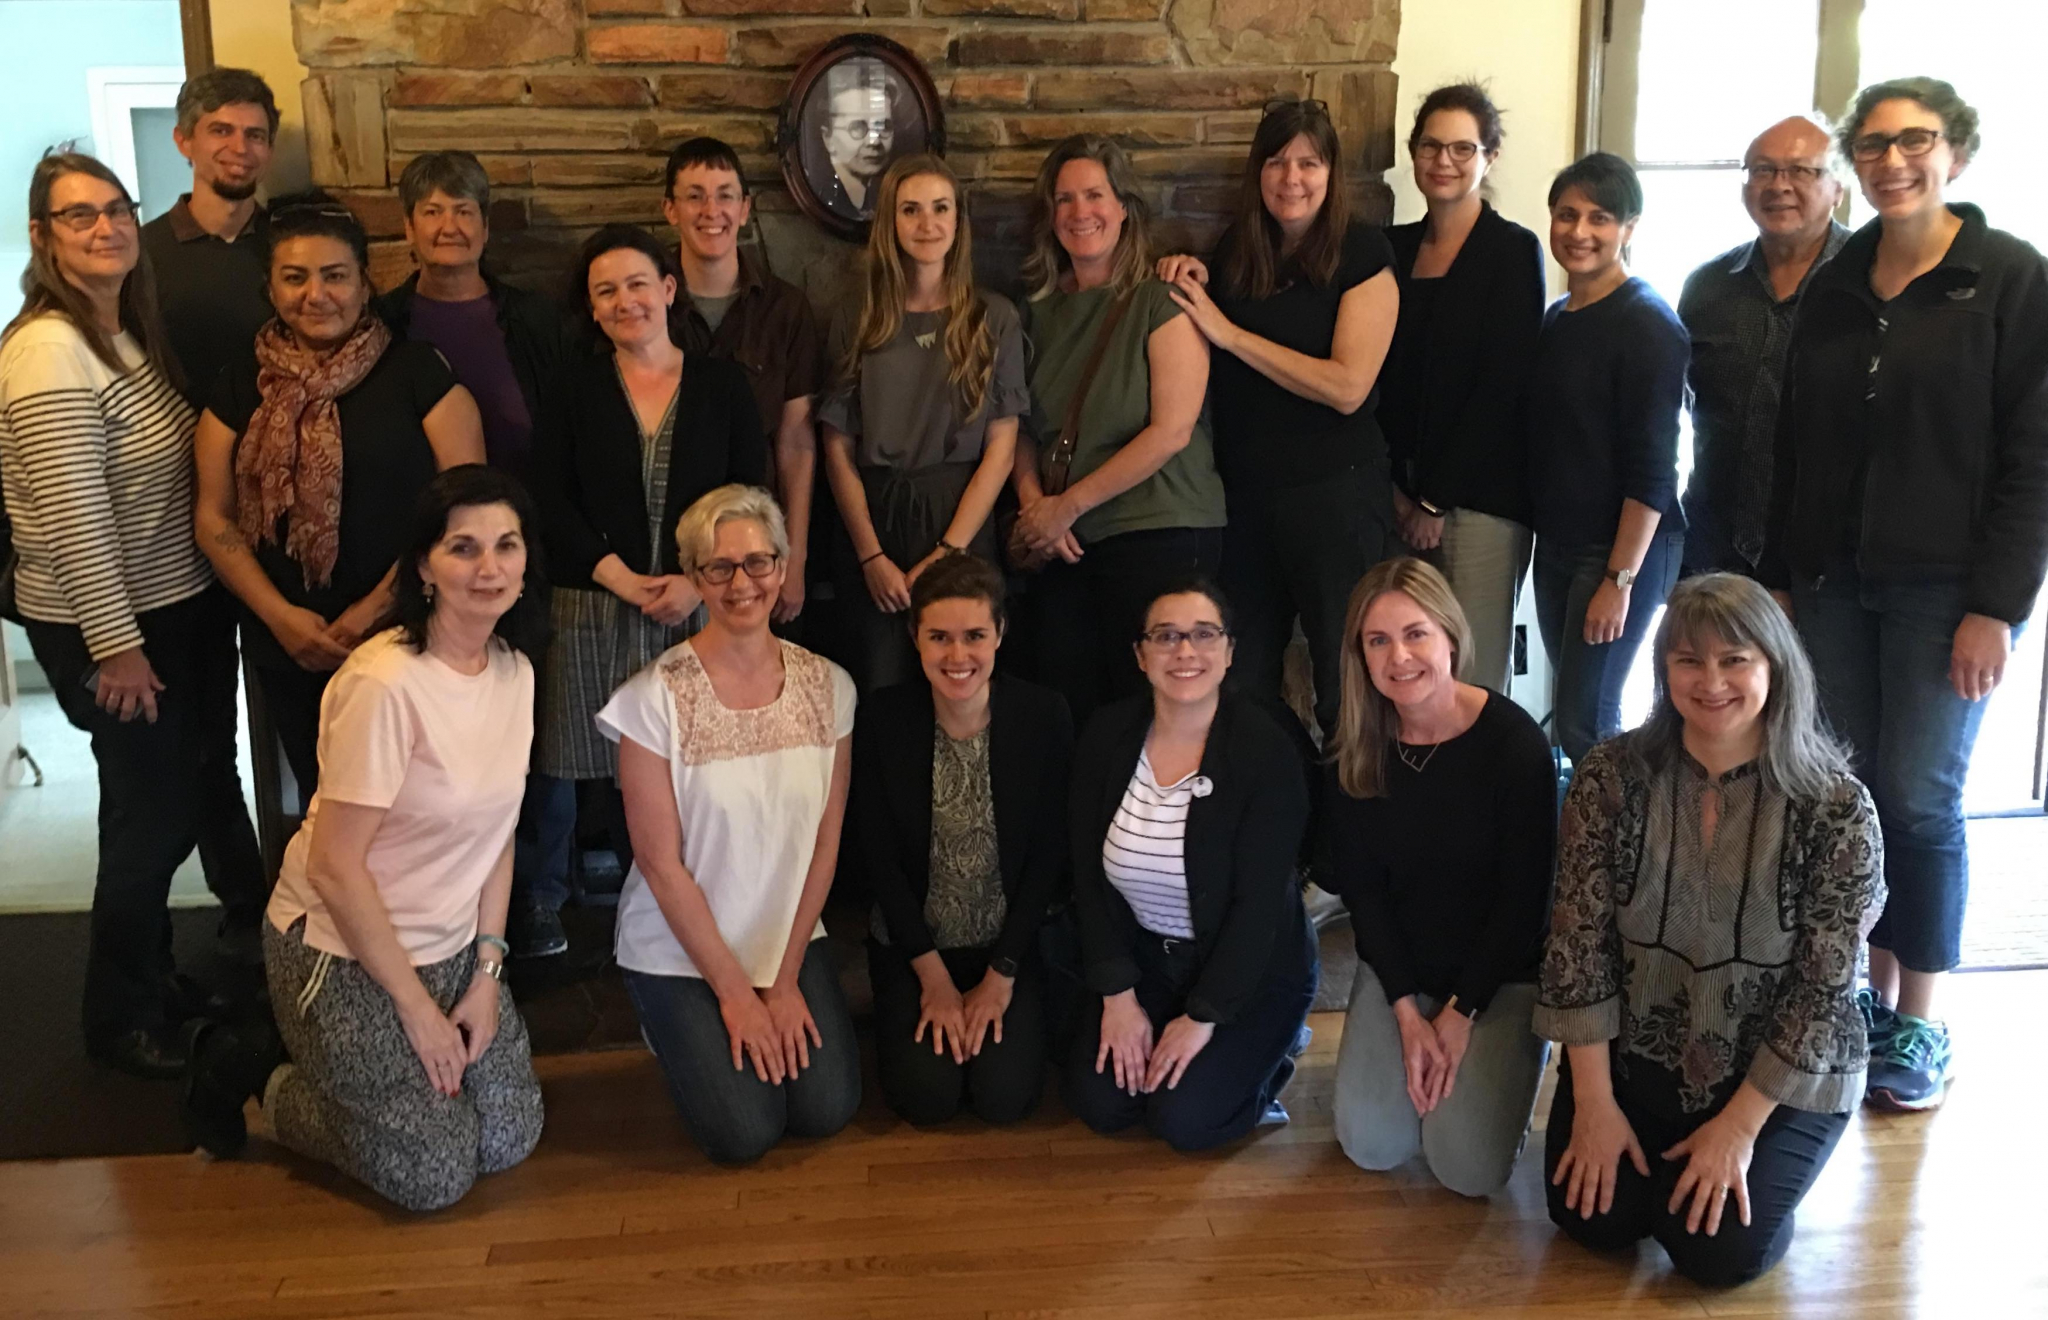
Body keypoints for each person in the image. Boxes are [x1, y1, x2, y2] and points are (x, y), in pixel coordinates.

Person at [1761, 78, 2048, 1111]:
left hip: (1945, 595)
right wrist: (1783, 583)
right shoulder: (1839, 281)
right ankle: (1864, 997)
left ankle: (1919, 1018)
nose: (1891, 161)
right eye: (1873, 145)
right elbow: (1795, 447)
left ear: (1954, 155)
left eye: (1913, 142)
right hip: (1831, 588)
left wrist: (1997, 605)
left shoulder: (2008, 279)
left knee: (1922, 801)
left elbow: (2033, 459)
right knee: (1848, 794)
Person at [183, 466, 548, 1212]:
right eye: (463, 548)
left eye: (506, 546)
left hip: (451, 946)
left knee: (510, 1136)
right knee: (433, 1174)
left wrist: (486, 975)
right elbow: (336, 868)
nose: (489, 568)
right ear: (423, 568)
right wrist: (416, 1011)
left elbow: (496, 835)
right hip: (342, 950)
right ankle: (257, 1071)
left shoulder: (515, 672)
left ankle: (366, 1074)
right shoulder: (383, 684)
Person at [1535, 573, 1884, 1287]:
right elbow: (1577, 945)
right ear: (1664, 671)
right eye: (1689, 660)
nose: (1711, 680)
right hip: (1639, 1052)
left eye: (1736, 660)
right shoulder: (1610, 776)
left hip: (1776, 1075)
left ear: (1775, 666)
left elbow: (1824, 993)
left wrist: (1739, 1128)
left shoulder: (1837, 808)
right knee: (1594, 1222)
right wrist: (1595, 1105)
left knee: (1716, 1253)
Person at [0, 153, 265, 1077]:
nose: (106, 228)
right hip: (114, 630)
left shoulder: (118, 330)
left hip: (171, 606)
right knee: (149, 824)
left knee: (176, 795)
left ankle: (152, 977)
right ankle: (119, 1019)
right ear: (41, 236)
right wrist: (116, 649)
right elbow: (74, 518)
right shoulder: (47, 355)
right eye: (80, 217)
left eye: (117, 210)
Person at [193, 192, 486, 802]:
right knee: (330, 800)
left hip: (407, 636)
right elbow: (213, 517)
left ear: (363, 283)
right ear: (271, 289)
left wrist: (371, 613)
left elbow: (465, 513)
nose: (315, 294)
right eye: (294, 278)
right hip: (288, 647)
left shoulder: (419, 374)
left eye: (334, 276)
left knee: (418, 801)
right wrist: (282, 620)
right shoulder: (239, 383)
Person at [599, 485, 861, 1164]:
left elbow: (827, 843)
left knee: (825, 1109)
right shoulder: (650, 700)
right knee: (745, 1133)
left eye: (758, 562)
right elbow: (660, 865)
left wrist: (785, 976)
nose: (742, 583)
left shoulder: (831, 686)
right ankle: (670, 1023)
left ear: (782, 565)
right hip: (682, 950)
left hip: (785, 937)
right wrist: (738, 996)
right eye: (719, 568)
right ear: (694, 578)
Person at [376, 149, 575, 958]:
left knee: (532, 726)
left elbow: (561, 435)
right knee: (438, 734)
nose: (449, 225)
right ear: (409, 226)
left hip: (527, 554)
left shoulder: (533, 320)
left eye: (464, 211)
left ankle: (537, 898)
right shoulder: (384, 324)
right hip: (427, 560)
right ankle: (433, 903)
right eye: (432, 210)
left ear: (486, 227)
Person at [1152, 98, 1398, 750]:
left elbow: (1348, 387)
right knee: (1241, 680)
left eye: (1309, 163)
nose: (1292, 177)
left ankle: (1351, 836)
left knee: (1344, 680)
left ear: (1332, 172)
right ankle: (1283, 820)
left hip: (1336, 495)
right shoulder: (1239, 250)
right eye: (1278, 161)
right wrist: (1193, 275)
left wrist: (1230, 334)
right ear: (1258, 172)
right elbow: (1206, 317)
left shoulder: (1363, 253)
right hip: (1248, 501)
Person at [531, 225, 766, 857]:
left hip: (700, 606)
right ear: (591, 306)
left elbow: (750, 494)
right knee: (571, 758)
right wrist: (614, 574)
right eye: (604, 291)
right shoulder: (571, 387)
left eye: (637, 284)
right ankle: (550, 901)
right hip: (592, 600)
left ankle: (687, 881)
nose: (623, 301)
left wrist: (699, 582)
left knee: (689, 757)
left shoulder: (723, 386)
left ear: (667, 289)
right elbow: (548, 498)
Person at [1323, 558, 1554, 1196]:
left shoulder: (1514, 746)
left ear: (1450, 635)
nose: (1399, 656)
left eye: (1415, 633)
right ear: (1361, 656)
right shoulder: (1357, 750)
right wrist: (1405, 1013)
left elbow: (1524, 905)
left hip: (1498, 977)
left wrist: (1458, 1015)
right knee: (1372, 1144)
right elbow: (1364, 897)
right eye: (1378, 640)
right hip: (1406, 973)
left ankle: (1515, 1057)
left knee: (1466, 1169)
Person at [1064, 578, 1316, 1151]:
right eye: (1166, 636)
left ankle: (1272, 1060)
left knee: (1185, 1120)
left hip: (1250, 970)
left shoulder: (1266, 749)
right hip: (1150, 959)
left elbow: (1260, 908)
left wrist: (1203, 1016)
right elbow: (1086, 871)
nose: (1185, 652)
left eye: (1204, 635)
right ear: (1140, 654)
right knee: (1103, 1103)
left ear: (1229, 651)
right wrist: (1117, 994)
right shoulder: (1106, 736)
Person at [1011, 135, 1227, 728]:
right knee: (1065, 709)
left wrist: (1066, 507)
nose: (1081, 213)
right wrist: (1037, 513)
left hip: (1160, 532)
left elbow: (1172, 430)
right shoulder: (1034, 314)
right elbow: (1020, 426)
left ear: (1124, 206)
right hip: (1066, 546)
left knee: (1147, 713)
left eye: (1094, 195)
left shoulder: (1163, 298)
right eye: (1064, 200)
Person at [855, 554, 1072, 1126]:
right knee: (926, 1097)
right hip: (915, 947)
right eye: (940, 638)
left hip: (1008, 947)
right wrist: (932, 979)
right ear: (915, 638)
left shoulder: (1043, 715)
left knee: (1005, 1098)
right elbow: (879, 860)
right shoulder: (882, 718)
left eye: (974, 635)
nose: (957, 656)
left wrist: (1002, 975)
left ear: (1000, 633)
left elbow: (1050, 854)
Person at [821, 154, 1028, 692]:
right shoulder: (857, 315)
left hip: (960, 516)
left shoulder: (993, 317)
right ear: (890, 222)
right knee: (880, 684)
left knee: (960, 681)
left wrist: (948, 551)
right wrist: (871, 555)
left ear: (959, 221)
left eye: (941, 209)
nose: (927, 224)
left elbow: (1001, 449)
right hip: (876, 518)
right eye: (910, 210)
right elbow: (836, 448)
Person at [1379, 83, 1547, 692]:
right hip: (1395, 499)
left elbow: (1503, 388)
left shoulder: (1511, 251)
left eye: (1461, 148)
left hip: (1481, 502)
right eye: (1430, 146)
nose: (1443, 161)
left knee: (1471, 678)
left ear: (1489, 157)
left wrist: (1433, 500)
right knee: (1403, 674)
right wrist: (1398, 491)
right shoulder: (1390, 248)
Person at [1528, 152, 1689, 767]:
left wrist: (1618, 582)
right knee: (1578, 713)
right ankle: (1592, 850)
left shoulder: (1647, 324)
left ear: (1629, 227)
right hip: (1561, 545)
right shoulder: (1556, 320)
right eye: (1567, 215)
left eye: (1600, 217)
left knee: (1584, 720)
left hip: (1623, 551)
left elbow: (1654, 471)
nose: (1579, 231)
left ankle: (1628, 858)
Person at [662, 138, 823, 627]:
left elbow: (797, 442)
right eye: (694, 196)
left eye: (725, 195)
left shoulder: (786, 310)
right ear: (670, 209)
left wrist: (792, 559)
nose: (712, 211)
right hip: (665, 552)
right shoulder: (646, 307)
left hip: (757, 557)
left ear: (746, 208)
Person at [1678, 117, 1847, 577]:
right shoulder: (1707, 288)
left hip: (1827, 561)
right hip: (1711, 545)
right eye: (1763, 170)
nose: (1779, 186)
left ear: (1838, 188)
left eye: (1800, 171)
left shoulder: (1867, 284)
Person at [140, 67, 278, 409]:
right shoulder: (139, 252)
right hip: (174, 451)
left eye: (255, 135)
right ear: (183, 141)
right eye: (221, 131)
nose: (240, 148)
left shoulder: (293, 246)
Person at [814, 60, 900, 219]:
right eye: (858, 128)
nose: (874, 141)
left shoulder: (881, 199)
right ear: (828, 138)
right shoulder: (823, 197)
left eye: (883, 126)